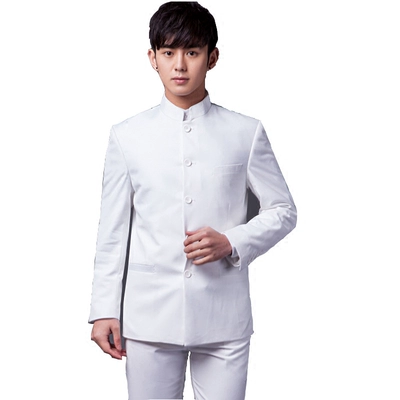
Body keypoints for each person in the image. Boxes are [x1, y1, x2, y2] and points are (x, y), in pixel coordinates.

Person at [89, 2, 297, 399]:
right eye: (168, 52)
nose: (180, 65)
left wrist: (232, 241)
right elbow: (113, 231)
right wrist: (104, 310)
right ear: (152, 58)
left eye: (192, 52)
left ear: (212, 58)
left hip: (224, 316)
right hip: (149, 316)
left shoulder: (245, 132)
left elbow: (283, 210)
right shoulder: (127, 136)